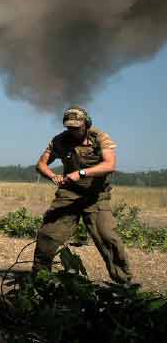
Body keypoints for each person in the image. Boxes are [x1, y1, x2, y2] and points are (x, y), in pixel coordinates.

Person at [32, 106, 132, 283]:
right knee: (47, 235)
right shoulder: (60, 141)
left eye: (76, 127)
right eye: (69, 127)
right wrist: (53, 176)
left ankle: (124, 283)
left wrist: (82, 173)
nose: (72, 131)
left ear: (86, 124)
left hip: (96, 196)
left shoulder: (99, 137)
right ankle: (40, 280)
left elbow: (110, 165)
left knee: (108, 238)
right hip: (69, 195)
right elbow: (41, 165)